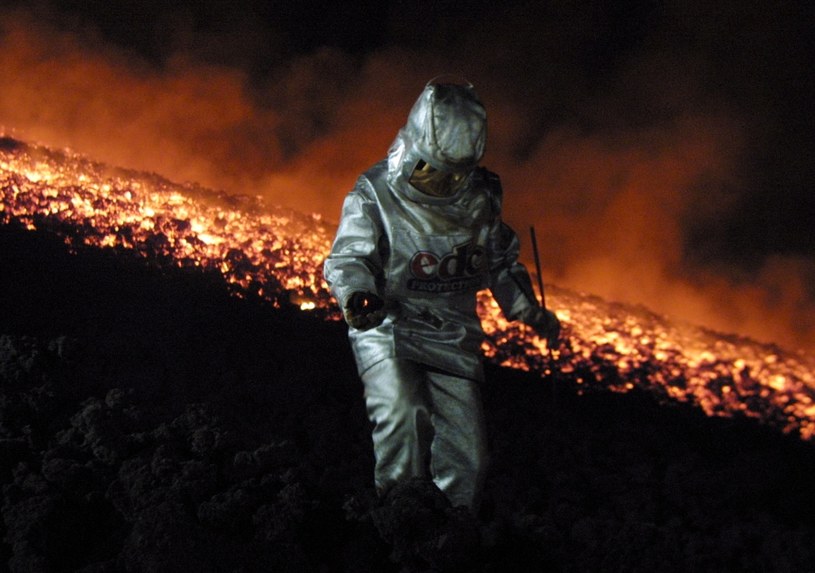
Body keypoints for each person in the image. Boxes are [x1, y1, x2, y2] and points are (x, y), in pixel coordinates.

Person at [323, 78, 560, 512]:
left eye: (456, 173)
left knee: (467, 454)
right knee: (403, 417)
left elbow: (499, 263)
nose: (444, 181)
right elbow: (348, 258)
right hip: (391, 324)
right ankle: (396, 521)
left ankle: (448, 537)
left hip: (454, 334)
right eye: (436, 168)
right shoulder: (375, 194)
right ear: (414, 152)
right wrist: (357, 295)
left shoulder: (480, 201)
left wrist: (533, 314)